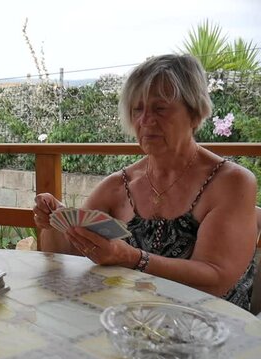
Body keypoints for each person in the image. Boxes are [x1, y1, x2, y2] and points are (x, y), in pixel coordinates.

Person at [33, 54, 258, 310]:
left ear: (195, 114)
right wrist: (52, 221)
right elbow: (66, 254)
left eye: (160, 108)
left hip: (211, 328)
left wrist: (132, 259)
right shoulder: (118, 186)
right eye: (137, 109)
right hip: (131, 322)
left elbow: (216, 279)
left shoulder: (230, 182)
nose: (145, 120)